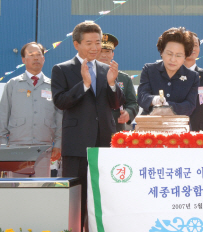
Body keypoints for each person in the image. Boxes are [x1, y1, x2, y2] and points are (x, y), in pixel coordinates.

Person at [51, 22, 125, 231]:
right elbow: (60, 102)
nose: (95, 48)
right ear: (76, 44)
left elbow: (116, 104)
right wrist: (83, 84)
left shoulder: (106, 69)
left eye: (98, 43)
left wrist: (112, 84)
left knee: (103, 194)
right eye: (89, 43)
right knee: (76, 196)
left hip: (104, 143)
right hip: (76, 144)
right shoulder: (62, 69)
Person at [0, 42, 62, 177]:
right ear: (23, 59)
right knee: (16, 189)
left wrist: (58, 143)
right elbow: (3, 115)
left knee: (40, 189)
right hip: (16, 149)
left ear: (44, 58)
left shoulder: (53, 86)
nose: (36, 58)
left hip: (43, 148)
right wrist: (2, 145)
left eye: (39, 55)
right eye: (31, 55)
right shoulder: (13, 84)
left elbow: (59, 117)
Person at [137, 27, 199, 116]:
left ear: (185, 56)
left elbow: (190, 106)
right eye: (169, 53)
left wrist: (168, 106)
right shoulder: (149, 70)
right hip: (150, 124)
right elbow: (142, 96)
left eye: (178, 55)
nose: (173, 59)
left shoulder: (192, 76)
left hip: (178, 126)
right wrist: (154, 100)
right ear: (161, 52)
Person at [97, 33, 138, 131]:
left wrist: (128, 113)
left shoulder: (124, 78)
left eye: (107, 51)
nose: (103, 55)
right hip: (91, 129)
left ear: (112, 54)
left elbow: (133, 103)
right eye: (100, 51)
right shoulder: (86, 75)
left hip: (115, 129)